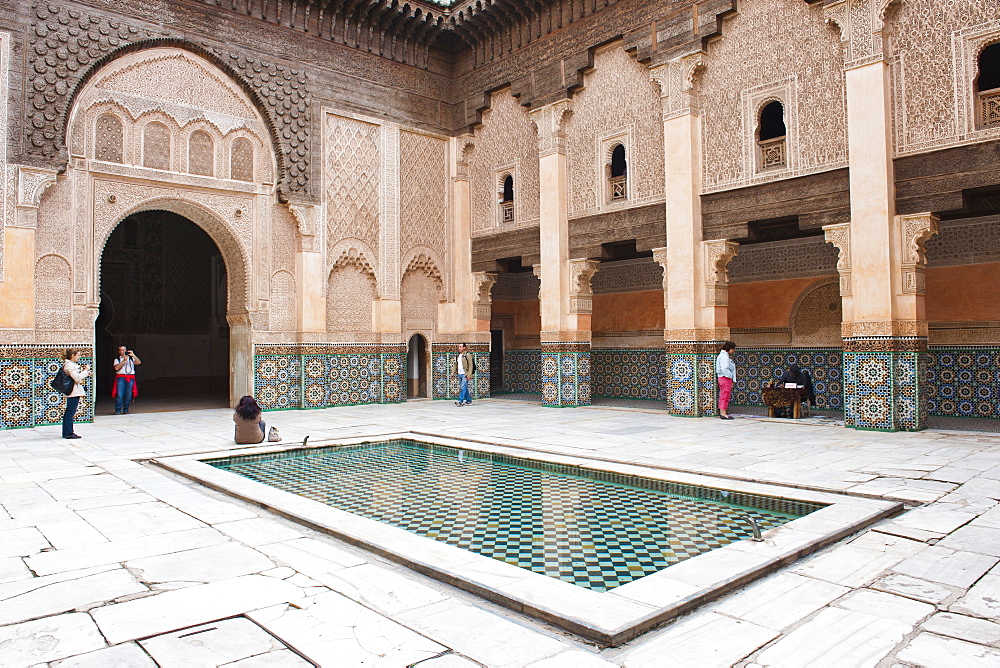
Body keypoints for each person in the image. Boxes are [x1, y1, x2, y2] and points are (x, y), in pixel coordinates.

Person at [62, 349, 91, 439]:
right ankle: (68, 433)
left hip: (74, 391)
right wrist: (85, 371)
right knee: (70, 412)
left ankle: (68, 432)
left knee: (70, 412)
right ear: (72, 355)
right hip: (72, 392)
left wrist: (86, 373)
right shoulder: (69, 365)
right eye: (78, 355)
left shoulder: (70, 365)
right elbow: (77, 378)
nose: (79, 357)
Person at [112, 345, 141, 414]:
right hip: (121, 378)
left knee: (128, 394)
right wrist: (124, 360)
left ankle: (126, 409)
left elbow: (138, 362)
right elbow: (116, 368)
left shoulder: (131, 358)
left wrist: (133, 355)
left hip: (130, 377)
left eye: (124, 350)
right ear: (119, 352)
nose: (123, 351)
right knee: (120, 394)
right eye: (121, 350)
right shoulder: (117, 359)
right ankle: (118, 410)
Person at [716, 341, 737, 420]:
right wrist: (730, 376)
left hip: (723, 378)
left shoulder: (723, 356)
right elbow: (724, 368)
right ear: (729, 348)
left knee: (723, 395)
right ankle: (723, 413)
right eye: (732, 349)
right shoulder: (724, 357)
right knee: (725, 395)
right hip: (725, 378)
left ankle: (723, 412)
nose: (733, 351)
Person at [453, 342, 477, 406]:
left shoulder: (467, 355)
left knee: (463, 387)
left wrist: (469, 375)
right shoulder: (458, 355)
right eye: (458, 347)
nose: (459, 348)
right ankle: (469, 401)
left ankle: (460, 401)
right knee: (464, 388)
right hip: (459, 373)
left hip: (465, 374)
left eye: (460, 347)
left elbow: (470, 365)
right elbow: (456, 364)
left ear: (464, 347)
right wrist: (453, 372)